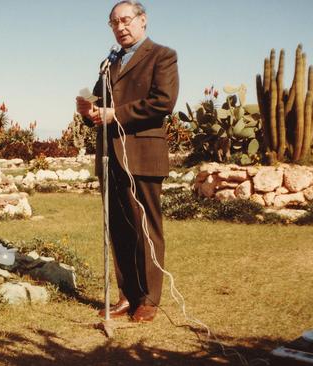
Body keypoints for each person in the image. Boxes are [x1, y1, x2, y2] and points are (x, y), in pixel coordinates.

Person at [75, 0, 178, 322]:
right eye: (114, 23)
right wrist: (89, 111)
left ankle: (148, 299)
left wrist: (115, 114)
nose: (121, 27)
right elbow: (99, 102)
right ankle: (126, 295)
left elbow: (163, 102)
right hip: (110, 154)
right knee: (119, 227)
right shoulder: (109, 62)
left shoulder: (162, 56)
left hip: (143, 154)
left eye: (126, 20)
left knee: (145, 227)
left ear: (142, 20)